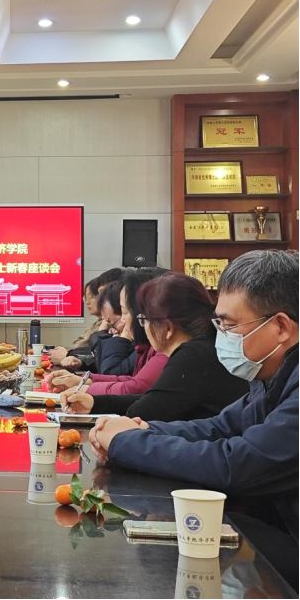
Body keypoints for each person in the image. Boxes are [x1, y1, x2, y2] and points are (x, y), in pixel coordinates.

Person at [89, 250, 298, 589]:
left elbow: (236, 464)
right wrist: (144, 429)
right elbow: (220, 427)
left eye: (229, 325)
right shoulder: (272, 376)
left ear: (281, 327)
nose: (222, 336)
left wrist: (127, 442)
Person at [60, 272, 249, 420]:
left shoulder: (192, 355)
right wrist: (94, 402)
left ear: (167, 328)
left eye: (143, 319)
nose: (136, 324)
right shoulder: (205, 346)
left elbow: (144, 410)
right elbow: (156, 399)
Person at [47, 273, 169, 396]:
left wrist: (85, 388)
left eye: (125, 312)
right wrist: (83, 381)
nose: (124, 320)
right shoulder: (147, 348)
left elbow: (133, 386)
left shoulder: (164, 350)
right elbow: (131, 380)